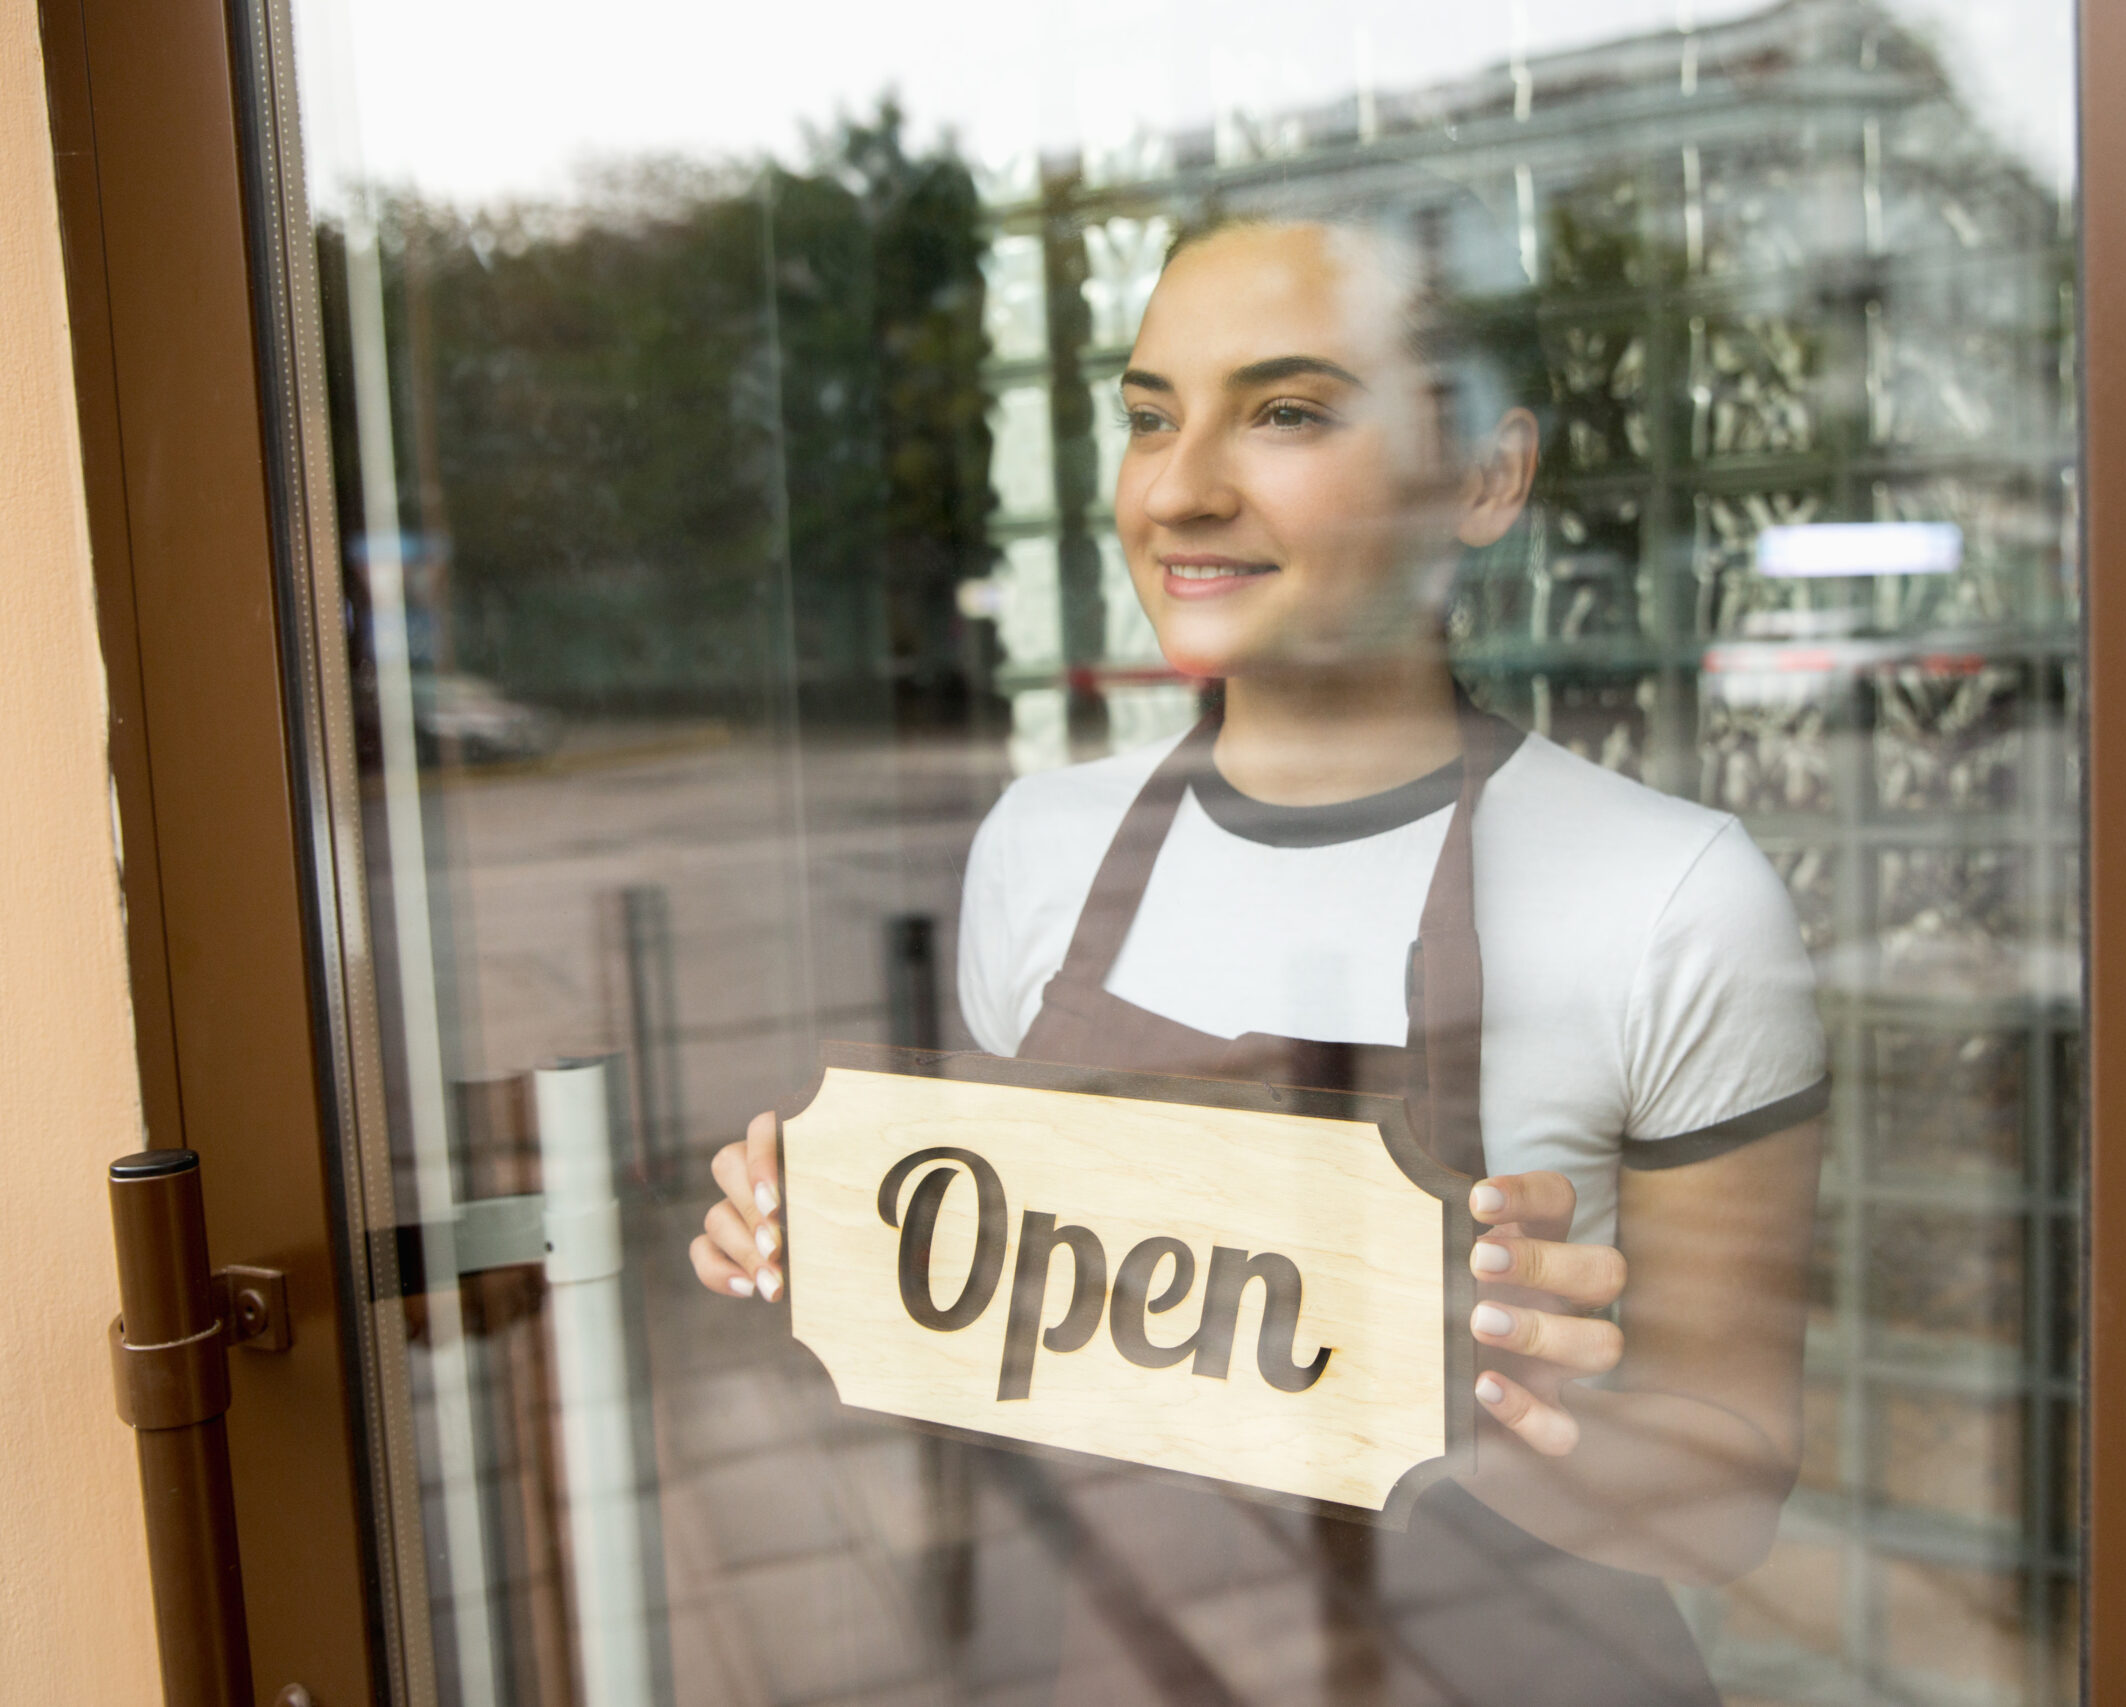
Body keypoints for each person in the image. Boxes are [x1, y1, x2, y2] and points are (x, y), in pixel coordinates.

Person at [690, 188, 1826, 1703]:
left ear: (1486, 477)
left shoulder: (1672, 895)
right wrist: (829, 1242)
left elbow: (1731, 1498)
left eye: (1285, 413)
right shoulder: (1038, 850)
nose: (1178, 493)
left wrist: (1492, 1408)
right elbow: (1015, 1346)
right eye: (1152, 419)